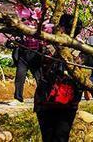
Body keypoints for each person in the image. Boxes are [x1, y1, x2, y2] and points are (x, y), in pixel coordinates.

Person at [34, 13, 84, 142]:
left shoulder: (48, 44)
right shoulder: (80, 47)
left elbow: (38, 62)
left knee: (51, 137)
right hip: (58, 99)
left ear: (60, 27)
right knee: (60, 137)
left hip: (51, 98)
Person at [9, 34, 42, 104]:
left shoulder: (40, 27)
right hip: (23, 55)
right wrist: (12, 42)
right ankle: (18, 99)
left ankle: (43, 98)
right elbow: (9, 42)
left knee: (39, 78)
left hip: (35, 55)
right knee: (19, 77)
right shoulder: (20, 29)